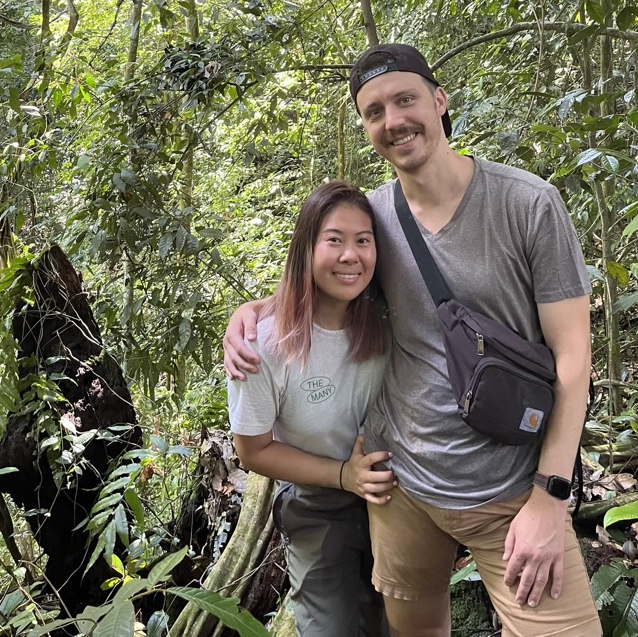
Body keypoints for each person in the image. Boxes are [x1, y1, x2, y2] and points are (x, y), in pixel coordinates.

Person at [225, 44, 602, 637]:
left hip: (509, 488)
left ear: (440, 101)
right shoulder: (372, 220)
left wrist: (550, 498)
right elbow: (325, 280)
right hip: (402, 489)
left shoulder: (527, 203)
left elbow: (573, 361)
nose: (393, 119)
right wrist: (249, 313)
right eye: (374, 111)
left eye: (405, 99)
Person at [227, 180, 394, 637]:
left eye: (363, 241)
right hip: (320, 505)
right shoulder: (263, 344)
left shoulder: (386, 313)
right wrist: (344, 476)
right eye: (334, 240)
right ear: (306, 247)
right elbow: (253, 451)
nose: (350, 255)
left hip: (399, 496)